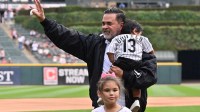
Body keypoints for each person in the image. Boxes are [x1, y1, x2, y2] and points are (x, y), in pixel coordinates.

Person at [31, 0, 157, 111]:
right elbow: (67, 37)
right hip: (101, 109)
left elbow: (150, 76)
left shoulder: (138, 45)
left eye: (109, 24)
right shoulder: (94, 44)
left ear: (121, 25)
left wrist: (125, 74)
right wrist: (45, 21)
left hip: (129, 109)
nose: (104, 27)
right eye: (103, 23)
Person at [106, 19, 154, 112]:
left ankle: (104, 97)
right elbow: (151, 52)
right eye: (140, 32)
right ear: (135, 30)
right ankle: (136, 100)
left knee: (111, 76)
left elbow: (110, 52)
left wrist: (114, 63)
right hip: (137, 62)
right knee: (136, 82)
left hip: (122, 60)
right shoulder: (142, 39)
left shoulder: (117, 38)